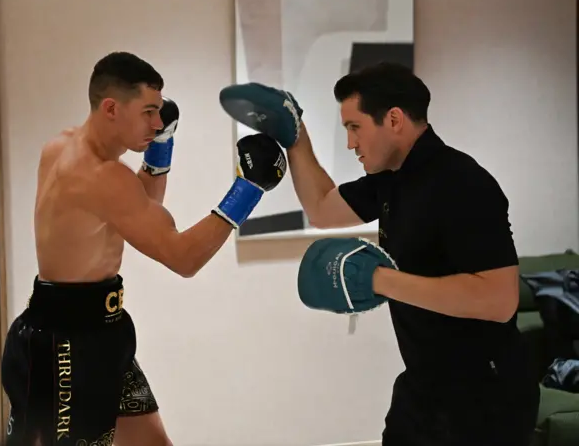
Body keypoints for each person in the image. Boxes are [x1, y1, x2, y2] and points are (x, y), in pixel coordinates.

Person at [218, 62, 541, 446]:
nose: (351, 143)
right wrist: (295, 136)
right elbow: (322, 207)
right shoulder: (391, 179)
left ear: (393, 119)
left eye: (355, 128)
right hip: (423, 386)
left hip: (485, 394)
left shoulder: (463, 183)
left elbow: (498, 299)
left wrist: (379, 279)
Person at [0, 51, 287, 446]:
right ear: (112, 108)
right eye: (149, 112)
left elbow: (142, 207)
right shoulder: (102, 177)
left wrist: (160, 146)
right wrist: (248, 190)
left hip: (99, 333)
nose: (158, 121)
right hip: (64, 349)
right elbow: (183, 257)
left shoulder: (63, 147)